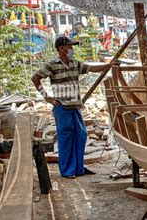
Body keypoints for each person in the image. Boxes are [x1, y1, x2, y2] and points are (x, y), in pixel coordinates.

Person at [31, 36, 112, 179]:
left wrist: (109, 65)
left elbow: (92, 68)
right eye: (70, 46)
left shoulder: (75, 64)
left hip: (75, 106)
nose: (72, 49)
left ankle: (78, 168)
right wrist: (47, 97)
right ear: (62, 49)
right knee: (66, 138)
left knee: (80, 135)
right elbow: (35, 78)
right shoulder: (52, 65)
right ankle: (67, 171)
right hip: (62, 107)